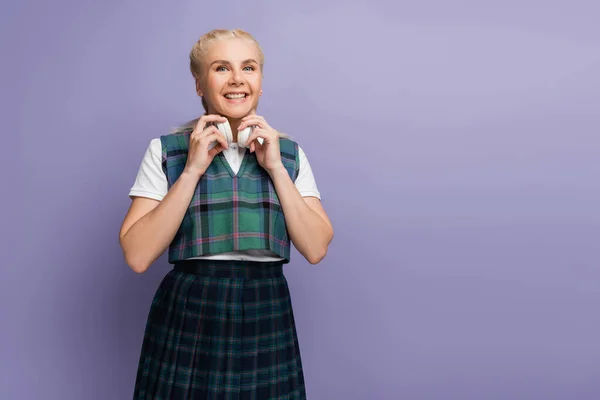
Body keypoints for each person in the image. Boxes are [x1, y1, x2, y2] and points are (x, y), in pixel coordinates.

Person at [119, 28, 334, 399]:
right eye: (221, 68)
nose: (237, 79)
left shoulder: (289, 155)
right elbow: (137, 256)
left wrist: (276, 170)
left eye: (248, 68)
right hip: (191, 308)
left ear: (260, 82)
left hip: (266, 306)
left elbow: (315, 249)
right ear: (199, 84)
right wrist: (191, 171)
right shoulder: (166, 151)